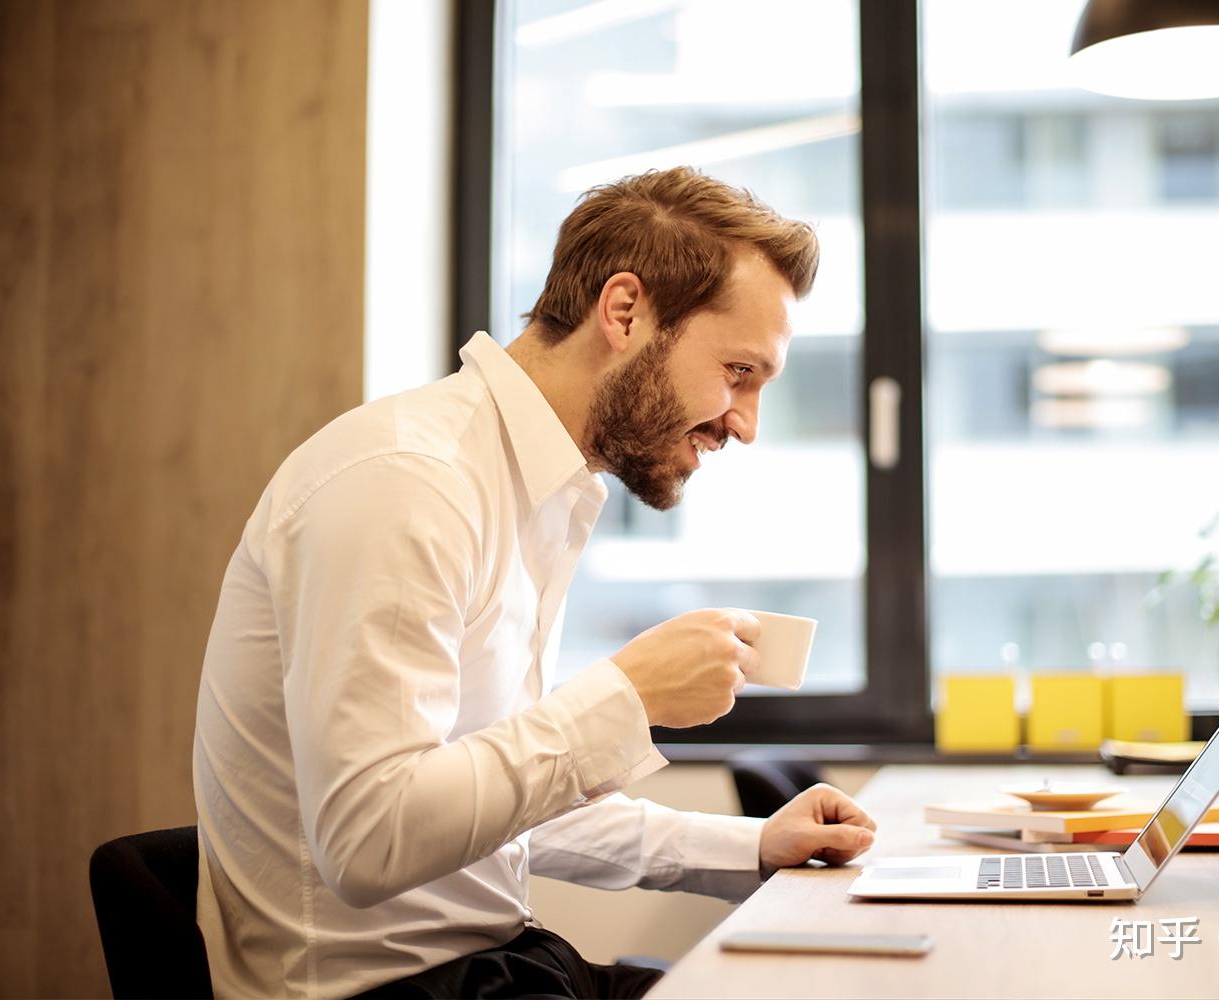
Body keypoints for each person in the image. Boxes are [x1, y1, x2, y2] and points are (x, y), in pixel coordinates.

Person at [193, 166, 878, 1000]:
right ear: (624, 313)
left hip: (492, 969)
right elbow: (369, 841)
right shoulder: (409, 481)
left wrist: (751, 847)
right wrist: (624, 697)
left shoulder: (538, 490)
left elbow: (492, 808)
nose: (746, 423)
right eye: (738, 372)